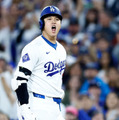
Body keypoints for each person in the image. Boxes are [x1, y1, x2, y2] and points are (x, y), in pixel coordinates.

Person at [11, 5, 66, 120]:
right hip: (37, 104)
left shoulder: (62, 50)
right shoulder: (34, 47)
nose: (53, 22)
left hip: (56, 106)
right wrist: (24, 108)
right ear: (42, 24)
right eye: (49, 19)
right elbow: (19, 79)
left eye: (57, 19)